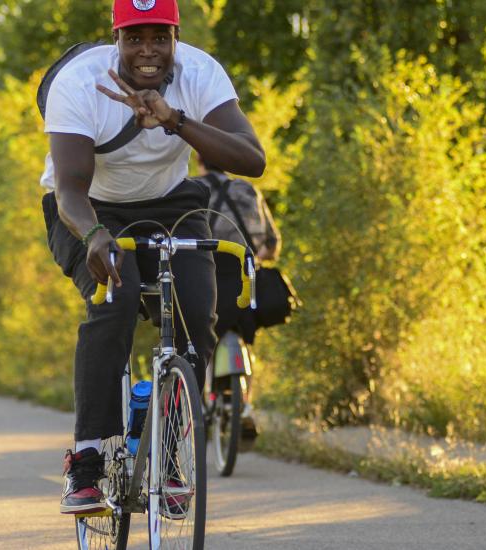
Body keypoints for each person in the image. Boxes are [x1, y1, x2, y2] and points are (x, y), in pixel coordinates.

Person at [41, 0, 265, 514]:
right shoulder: (78, 84)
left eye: (159, 38)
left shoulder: (200, 73)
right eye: (134, 37)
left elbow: (251, 158)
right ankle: (89, 460)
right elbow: (71, 188)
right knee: (115, 301)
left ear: (175, 37)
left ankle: (168, 449)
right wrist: (94, 234)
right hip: (88, 208)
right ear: (114, 38)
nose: (148, 51)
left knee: (196, 312)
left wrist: (176, 120)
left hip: (171, 202)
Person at [199, 157, 280, 344]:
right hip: (244, 277)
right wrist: (256, 258)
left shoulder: (192, 189)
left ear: (199, 160)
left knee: (200, 341)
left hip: (207, 279)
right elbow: (273, 243)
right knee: (246, 333)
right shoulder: (248, 190)